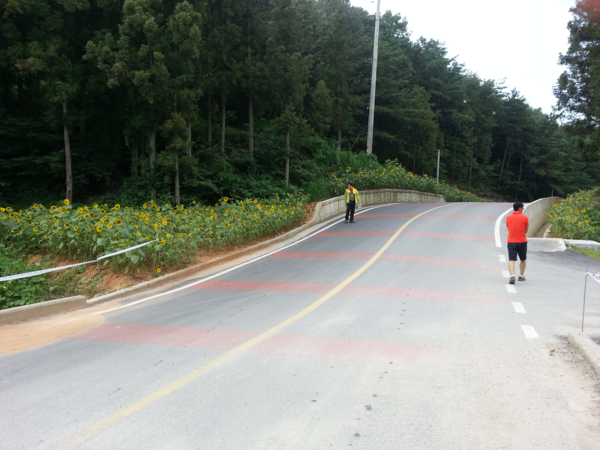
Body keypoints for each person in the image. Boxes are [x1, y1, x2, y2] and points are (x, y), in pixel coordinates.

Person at [506, 201, 529, 284]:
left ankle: (512, 275)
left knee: (511, 259)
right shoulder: (525, 218)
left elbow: (509, 229)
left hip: (511, 241)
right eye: (522, 208)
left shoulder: (508, 217)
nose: (523, 209)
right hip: (522, 241)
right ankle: (521, 275)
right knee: (523, 259)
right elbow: (526, 230)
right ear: (519, 208)